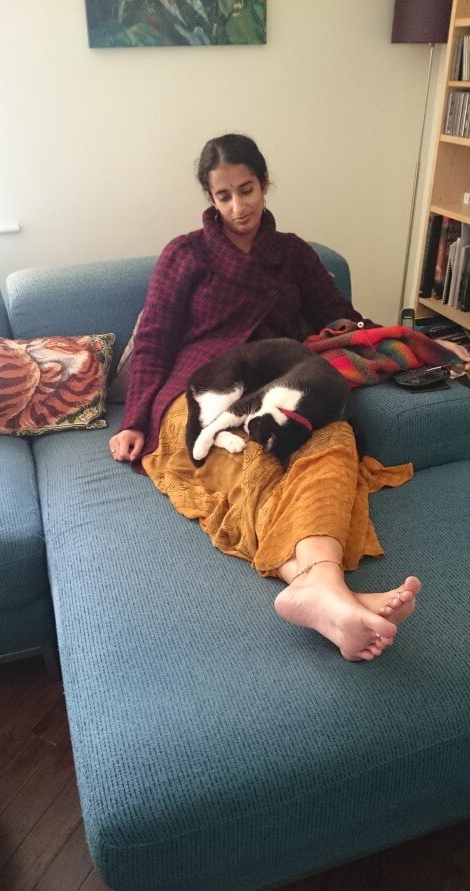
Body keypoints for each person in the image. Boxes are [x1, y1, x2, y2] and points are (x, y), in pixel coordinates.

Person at [109, 133, 469, 662]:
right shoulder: (184, 255)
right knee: (254, 460)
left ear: (265, 183)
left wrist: (423, 343)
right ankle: (333, 591)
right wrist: (136, 419)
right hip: (203, 389)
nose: (238, 206)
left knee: (334, 441)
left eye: (247, 190)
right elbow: (155, 341)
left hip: (282, 377)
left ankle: (320, 591)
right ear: (210, 198)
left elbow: (342, 319)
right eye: (224, 196)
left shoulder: (294, 254)